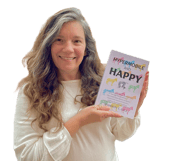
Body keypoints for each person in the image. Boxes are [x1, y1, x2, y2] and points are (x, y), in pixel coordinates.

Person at [13, 7, 150, 161]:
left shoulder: (105, 82)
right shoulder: (31, 92)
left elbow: (121, 133)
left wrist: (133, 109)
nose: (68, 49)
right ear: (48, 46)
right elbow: (26, 156)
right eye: (59, 40)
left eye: (77, 41)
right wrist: (78, 121)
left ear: (86, 48)